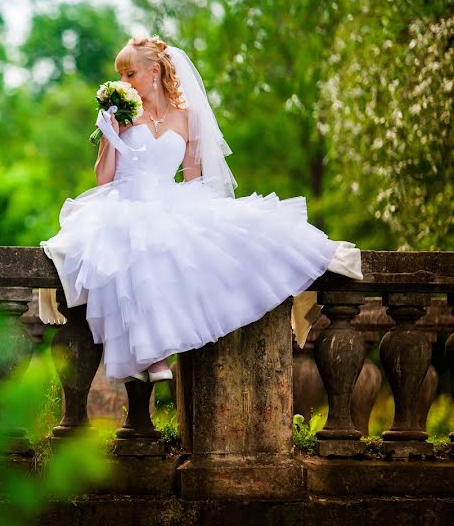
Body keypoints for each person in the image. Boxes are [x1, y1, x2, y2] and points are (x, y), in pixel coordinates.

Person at [38, 35, 362, 383]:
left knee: (213, 240)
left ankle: (316, 254)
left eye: (130, 74)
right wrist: (108, 135)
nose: (124, 82)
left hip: (169, 198)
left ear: (155, 71)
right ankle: (153, 353)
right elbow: (104, 179)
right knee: (135, 246)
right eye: (121, 75)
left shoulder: (187, 117)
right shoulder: (122, 116)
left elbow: (194, 181)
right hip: (124, 201)